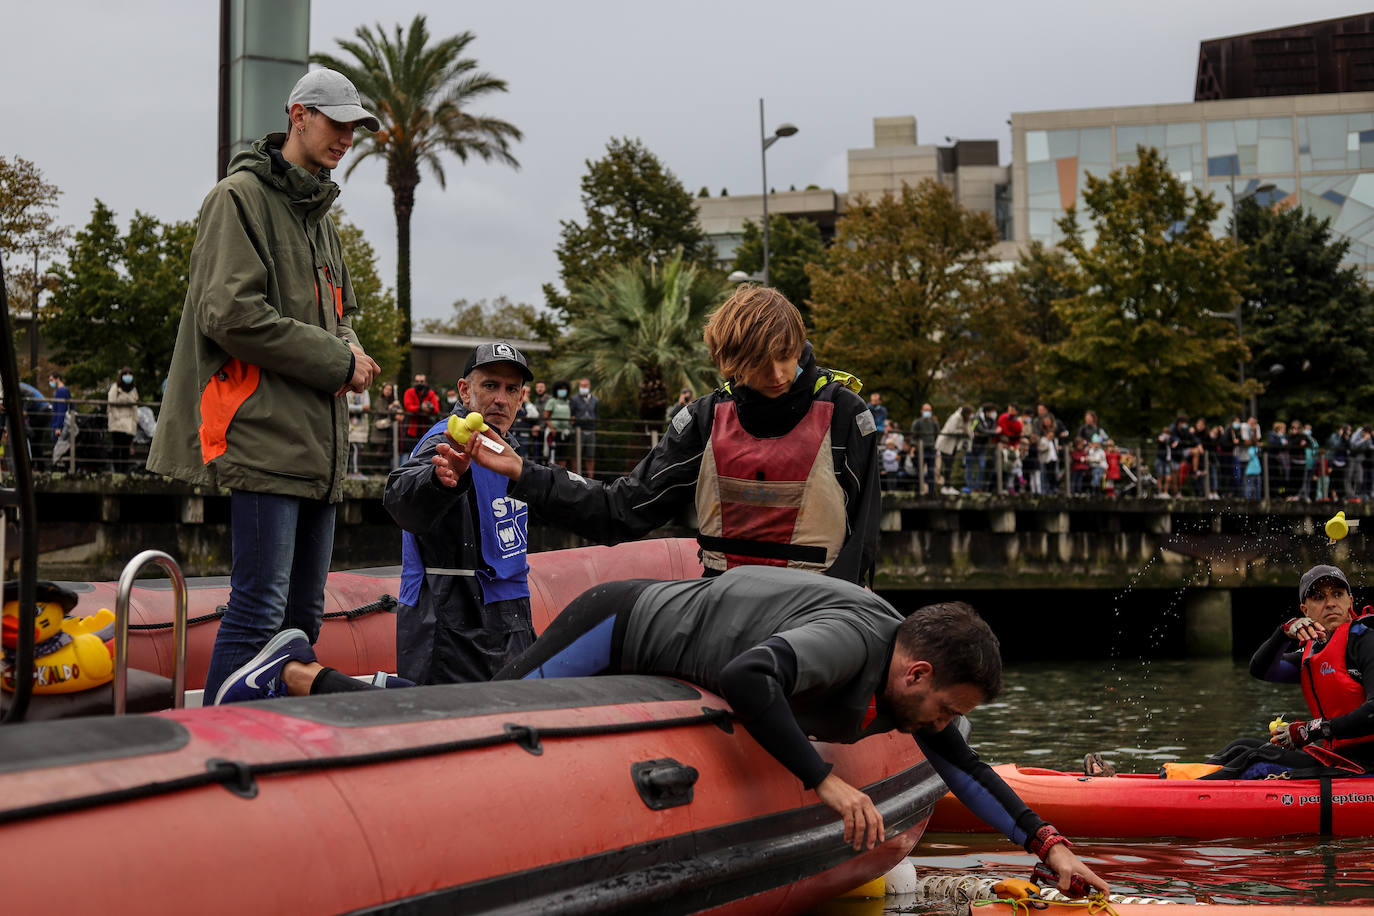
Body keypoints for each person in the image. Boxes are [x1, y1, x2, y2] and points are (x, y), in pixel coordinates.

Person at [210, 565, 1107, 896]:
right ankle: (297, 672)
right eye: (941, 707)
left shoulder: (913, 689)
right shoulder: (851, 644)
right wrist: (825, 781)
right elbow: (752, 676)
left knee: (481, 698)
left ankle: (320, 676)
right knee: (483, 712)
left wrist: (1047, 843)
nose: (939, 726)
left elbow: (961, 763)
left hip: (667, 645)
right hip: (621, 625)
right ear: (915, 674)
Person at [147, 67, 383, 703]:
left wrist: (354, 349)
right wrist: (340, 361)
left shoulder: (320, 217)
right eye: (336, 123)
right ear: (298, 115)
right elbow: (230, 315)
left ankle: (269, 755)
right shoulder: (238, 198)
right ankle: (222, 753)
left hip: (318, 448)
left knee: (302, 620)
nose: (346, 138)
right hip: (261, 440)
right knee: (257, 614)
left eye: (354, 128)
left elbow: (344, 316)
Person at [460, 285, 881, 584]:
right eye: (758, 362)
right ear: (730, 362)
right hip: (726, 606)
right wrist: (524, 473)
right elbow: (619, 511)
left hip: (820, 611)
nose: (776, 375)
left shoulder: (847, 415)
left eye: (786, 357)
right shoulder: (704, 419)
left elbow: (862, 544)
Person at [383, 341, 539, 684]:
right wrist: (438, 481)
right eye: (490, 385)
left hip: (509, 616)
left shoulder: (508, 449)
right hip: (449, 620)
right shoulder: (445, 440)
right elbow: (400, 497)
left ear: (521, 397)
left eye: (511, 389)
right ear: (464, 391)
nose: (501, 398)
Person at [106, 367, 139, 470]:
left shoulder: (133, 389)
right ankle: (117, 471)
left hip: (129, 424)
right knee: (117, 447)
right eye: (126, 374)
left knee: (126, 448)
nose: (128, 376)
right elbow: (111, 403)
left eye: (130, 374)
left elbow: (135, 405)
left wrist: (135, 420)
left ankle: (124, 471)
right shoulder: (115, 387)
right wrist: (117, 417)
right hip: (117, 423)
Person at [935, 405, 972, 495]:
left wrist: (968, 432)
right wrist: (962, 431)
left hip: (953, 446)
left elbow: (968, 430)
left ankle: (948, 486)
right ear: (965, 413)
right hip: (945, 445)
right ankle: (945, 487)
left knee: (950, 465)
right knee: (947, 465)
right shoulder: (956, 417)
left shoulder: (965, 419)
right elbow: (950, 430)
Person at [569, 377, 599, 479]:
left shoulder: (595, 400)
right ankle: (576, 478)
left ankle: (591, 478)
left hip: (591, 429)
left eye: (585, 386)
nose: (583, 388)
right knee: (576, 455)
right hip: (578, 430)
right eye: (581, 386)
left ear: (589, 386)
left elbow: (596, 413)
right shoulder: (574, 399)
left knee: (590, 455)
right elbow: (571, 414)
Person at [403, 373, 440, 454]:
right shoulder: (409, 392)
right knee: (412, 453)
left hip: (426, 429)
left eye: (421, 381)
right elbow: (408, 407)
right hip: (412, 430)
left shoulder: (431, 393)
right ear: (414, 382)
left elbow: (436, 409)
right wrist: (420, 408)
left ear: (425, 383)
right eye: (417, 381)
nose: (419, 383)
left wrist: (429, 409)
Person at [910, 403, 938, 495]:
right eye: (925, 410)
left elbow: (938, 434)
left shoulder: (934, 423)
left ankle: (931, 492)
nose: (927, 412)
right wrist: (915, 446)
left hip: (931, 449)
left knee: (931, 471)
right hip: (921, 450)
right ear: (921, 411)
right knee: (920, 471)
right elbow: (913, 436)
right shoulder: (917, 422)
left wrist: (935, 445)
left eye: (929, 410)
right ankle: (919, 490)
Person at [543, 381, 573, 467]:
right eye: (560, 389)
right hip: (554, 433)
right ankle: (553, 474)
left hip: (565, 432)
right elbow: (546, 417)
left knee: (563, 455)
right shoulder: (552, 401)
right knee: (553, 454)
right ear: (556, 390)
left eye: (564, 389)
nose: (562, 391)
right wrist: (552, 428)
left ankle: (562, 475)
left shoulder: (568, 402)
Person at [345, 385, 370, 477]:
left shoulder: (365, 392)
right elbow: (346, 406)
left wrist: (354, 408)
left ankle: (355, 471)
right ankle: (353, 472)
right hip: (350, 426)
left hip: (361, 427)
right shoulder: (348, 392)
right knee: (355, 448)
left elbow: (367, 407)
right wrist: (361, 408)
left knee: (359, 448)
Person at [47, 370, 70, 465]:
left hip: (59, 425)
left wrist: (58, 427)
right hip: (60, 423)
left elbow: (61, 410)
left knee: (58, 451)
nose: (50, 383)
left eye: (52, 380)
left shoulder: (61, 391)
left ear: (58, 379)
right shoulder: (63, 390)